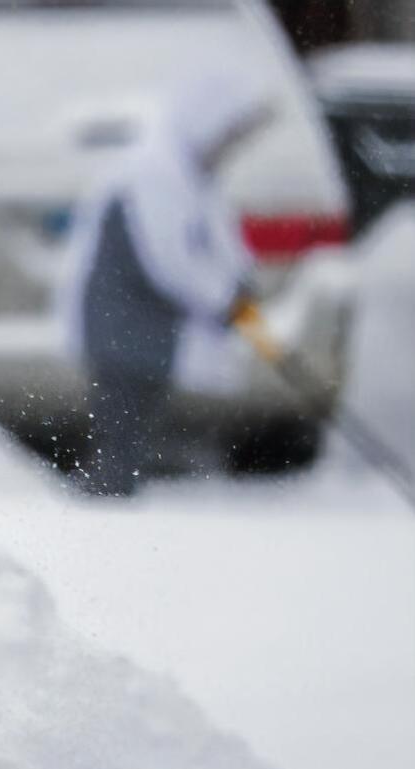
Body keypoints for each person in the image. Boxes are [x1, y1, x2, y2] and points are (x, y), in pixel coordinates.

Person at [63, 75, 273, 496]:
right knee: (121, 423)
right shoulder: (155, 171)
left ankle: (115, 499)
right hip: (119, 323)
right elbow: (171, 257)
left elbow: (217, 239)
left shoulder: (189, 170)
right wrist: (224, 299)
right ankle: (105, 506)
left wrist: (239, 286)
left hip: (149, 328)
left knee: (136, 422)